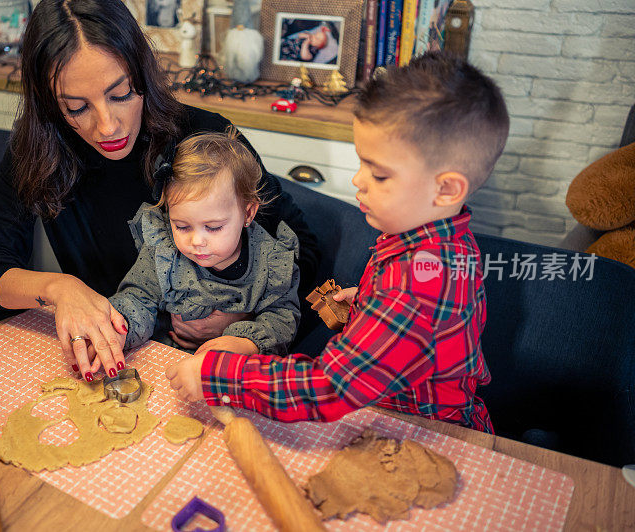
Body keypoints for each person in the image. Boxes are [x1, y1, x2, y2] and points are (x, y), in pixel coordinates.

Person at [0, 0, 318, 383]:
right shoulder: (40, 152)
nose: (107, 126)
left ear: (141, 74)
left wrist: (241, 320)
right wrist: (57, 288)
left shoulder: (207, 141)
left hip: (217, 367)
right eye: (77, 108)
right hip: (126, 355)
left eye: (120, 94)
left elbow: (302, 250)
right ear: (50, 106)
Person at [166, 52, 510, 433]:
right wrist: (366, 303)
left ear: (445, 189)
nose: (357, 181)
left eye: (379, 175)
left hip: (426, 434)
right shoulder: (436, 242)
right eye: (362, 163)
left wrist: (219, 375)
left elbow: (331, 387)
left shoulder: (415, 287)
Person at [108, 129, 300, 357]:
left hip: (232, 369)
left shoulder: (273, 263)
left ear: (247, 213)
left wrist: (246, 343)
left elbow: (281, 318)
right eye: (181, 226)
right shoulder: (164, 251)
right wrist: (119, 330)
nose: (196, 241)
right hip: (168, 356)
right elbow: (138, 299)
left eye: (214, 227)